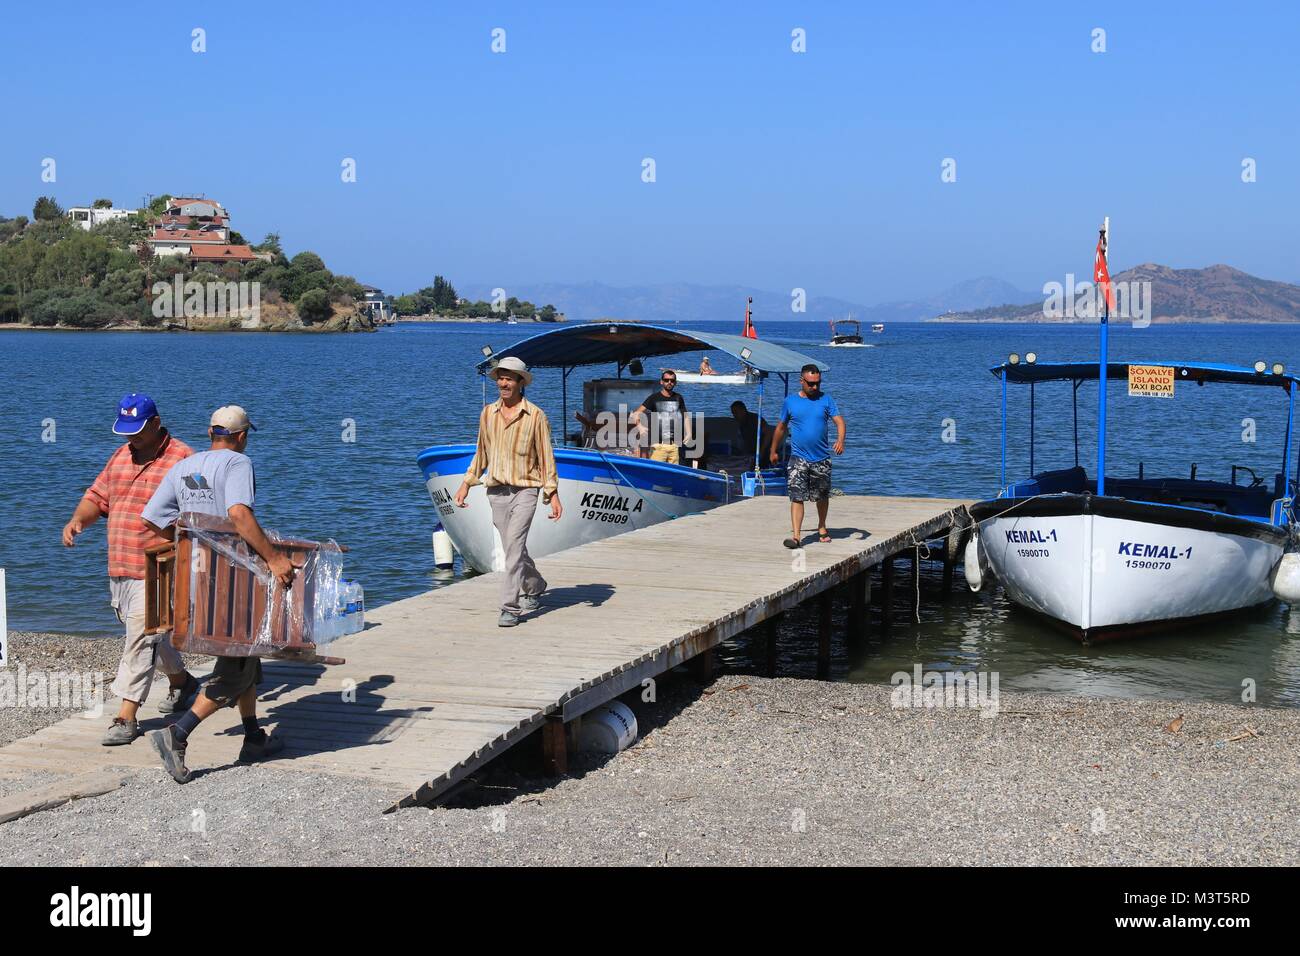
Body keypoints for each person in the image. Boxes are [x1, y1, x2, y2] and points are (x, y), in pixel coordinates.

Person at [142, 405, 294, 784]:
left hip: (196, 579)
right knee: (236, 664)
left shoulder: (184, 467)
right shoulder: (237, 464)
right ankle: (176, 735)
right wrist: (274, 559)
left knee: (248, 657)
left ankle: (254, 736)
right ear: (241, 436)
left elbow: (152, 517)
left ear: (211, 433)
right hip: (233, 580)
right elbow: (239, 514)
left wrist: (187, 547)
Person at [62, 394, 200, 746]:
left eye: (137, 432)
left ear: (155, 424)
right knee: (152, 634)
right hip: (120, 562)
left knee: (140, 637)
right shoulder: (121, 456)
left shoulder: (183, 458)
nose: (130, 438)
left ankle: (126, 716)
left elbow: (200, 513)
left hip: (160, 564)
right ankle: (183, 683)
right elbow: (98, 497)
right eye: (125, 432)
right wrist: (79, 519)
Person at [454, 358, 562, 627]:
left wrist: (553, 493)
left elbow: (547, 458)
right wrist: (467, 482)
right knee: (512, 547)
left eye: (509, 378)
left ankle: (509, 608)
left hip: (526, 489)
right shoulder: (487, 414)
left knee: (512, 547)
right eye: (500, 378)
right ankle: (535, 585)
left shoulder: (536, 416)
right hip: (496, 491)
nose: (503, 383)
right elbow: (482, 453)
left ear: (520, 383)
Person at [770, 364, 845, 547]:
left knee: (822, 496)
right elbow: (781, 428)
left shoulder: (826, 400)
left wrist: (840, 440)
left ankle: (821, 527)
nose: (815, 387)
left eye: (818, 383)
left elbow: (840, 422)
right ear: (801, 381)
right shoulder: (790, 402)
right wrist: (772, 450)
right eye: (811, 384)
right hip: (798, 458)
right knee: (797, 496)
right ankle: (796, 536)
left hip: (821, 458)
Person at [630, 370, 692, 465]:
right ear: (661, 382)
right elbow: (636, 414)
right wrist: (640, 427)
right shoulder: (654, 398)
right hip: (658, 445)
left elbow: (686, 416)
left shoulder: (679, 398)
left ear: (675, 382)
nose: (669, 382)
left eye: (672, 380)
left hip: (674, 445)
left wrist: (689, 433)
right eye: (666, 380)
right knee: (656, 473)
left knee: (673, 474)